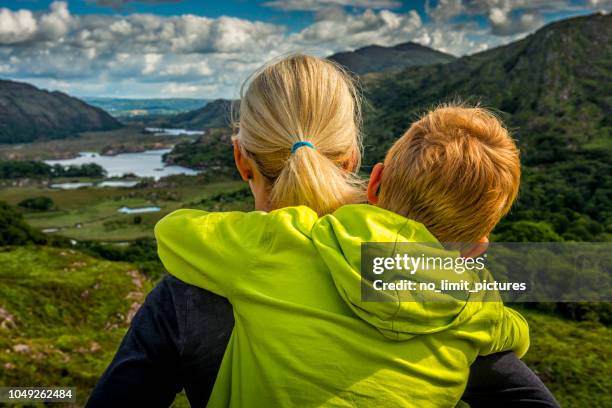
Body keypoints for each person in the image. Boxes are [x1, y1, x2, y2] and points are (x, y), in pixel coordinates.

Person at [87, 55, 559, 407]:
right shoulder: (446, 297)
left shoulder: (195, 291)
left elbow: (175, 232)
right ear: (354, 160)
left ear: (240, 158)